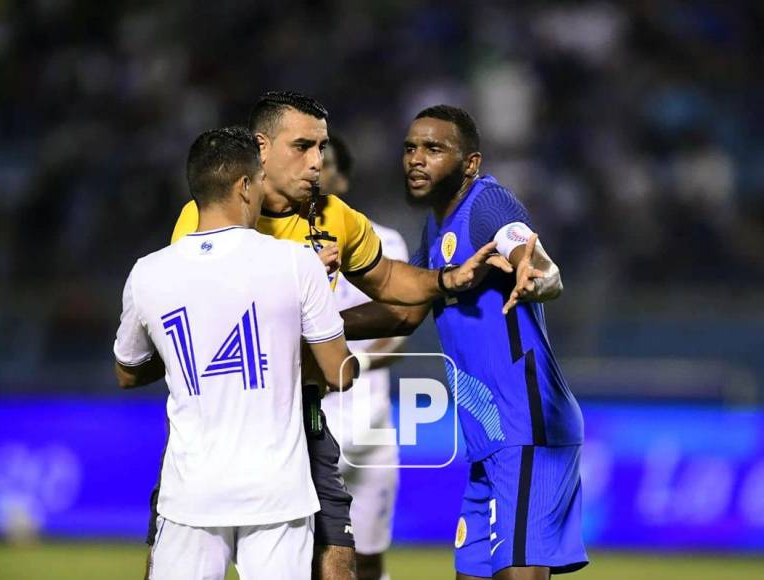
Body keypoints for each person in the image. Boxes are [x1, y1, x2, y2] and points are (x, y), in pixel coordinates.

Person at [158, 92, 501, 580]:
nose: (317, 161)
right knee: (177, 559)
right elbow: (199, 320)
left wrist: (447, 279)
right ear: (261, 147)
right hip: (217, 419)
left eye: (320, 147)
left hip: (305, 414)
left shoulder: (334, 216)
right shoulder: (207, 217)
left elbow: (387, 281)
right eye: (303, 146)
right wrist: (295, 280)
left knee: (341, 558)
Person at [340, 105, 589, 579]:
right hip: (487, 445)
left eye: (434, 149)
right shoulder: (435, 229)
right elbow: (404, 310)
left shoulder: (485, 203)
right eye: (411, 148)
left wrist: (532, 270)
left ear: (470, 163)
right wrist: (318, 323)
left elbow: (522, 244)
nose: (416, 159)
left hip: (527, 432)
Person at [114, 126, 357, 580]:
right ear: (245, 185)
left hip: (189, 494)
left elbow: (127, 372)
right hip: (277, 495)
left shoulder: (147, 273)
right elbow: (339, 372)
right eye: (260, 181)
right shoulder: (296, 263)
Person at [319, 134, 408, 580]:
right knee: (304, 558)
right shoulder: (272, 246)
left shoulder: (384, 242)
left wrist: (353, 364)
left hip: (369, 427)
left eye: (327, 163)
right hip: (307, 425)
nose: (317, 172)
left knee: (369, 558)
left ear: (345, 178)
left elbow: (398, 327)